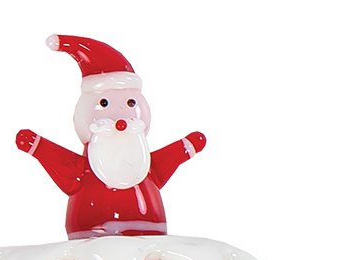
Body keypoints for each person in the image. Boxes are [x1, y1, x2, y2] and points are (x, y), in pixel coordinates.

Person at [15, 34, 206, 240]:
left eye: (131, 103)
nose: (119, 119)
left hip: (150, 235)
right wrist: (39, 147)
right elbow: (66, 170)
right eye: (104, 104)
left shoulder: (142, 163)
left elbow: (158, 168)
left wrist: (184, 147)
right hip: (90, 236)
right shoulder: (86, 168)